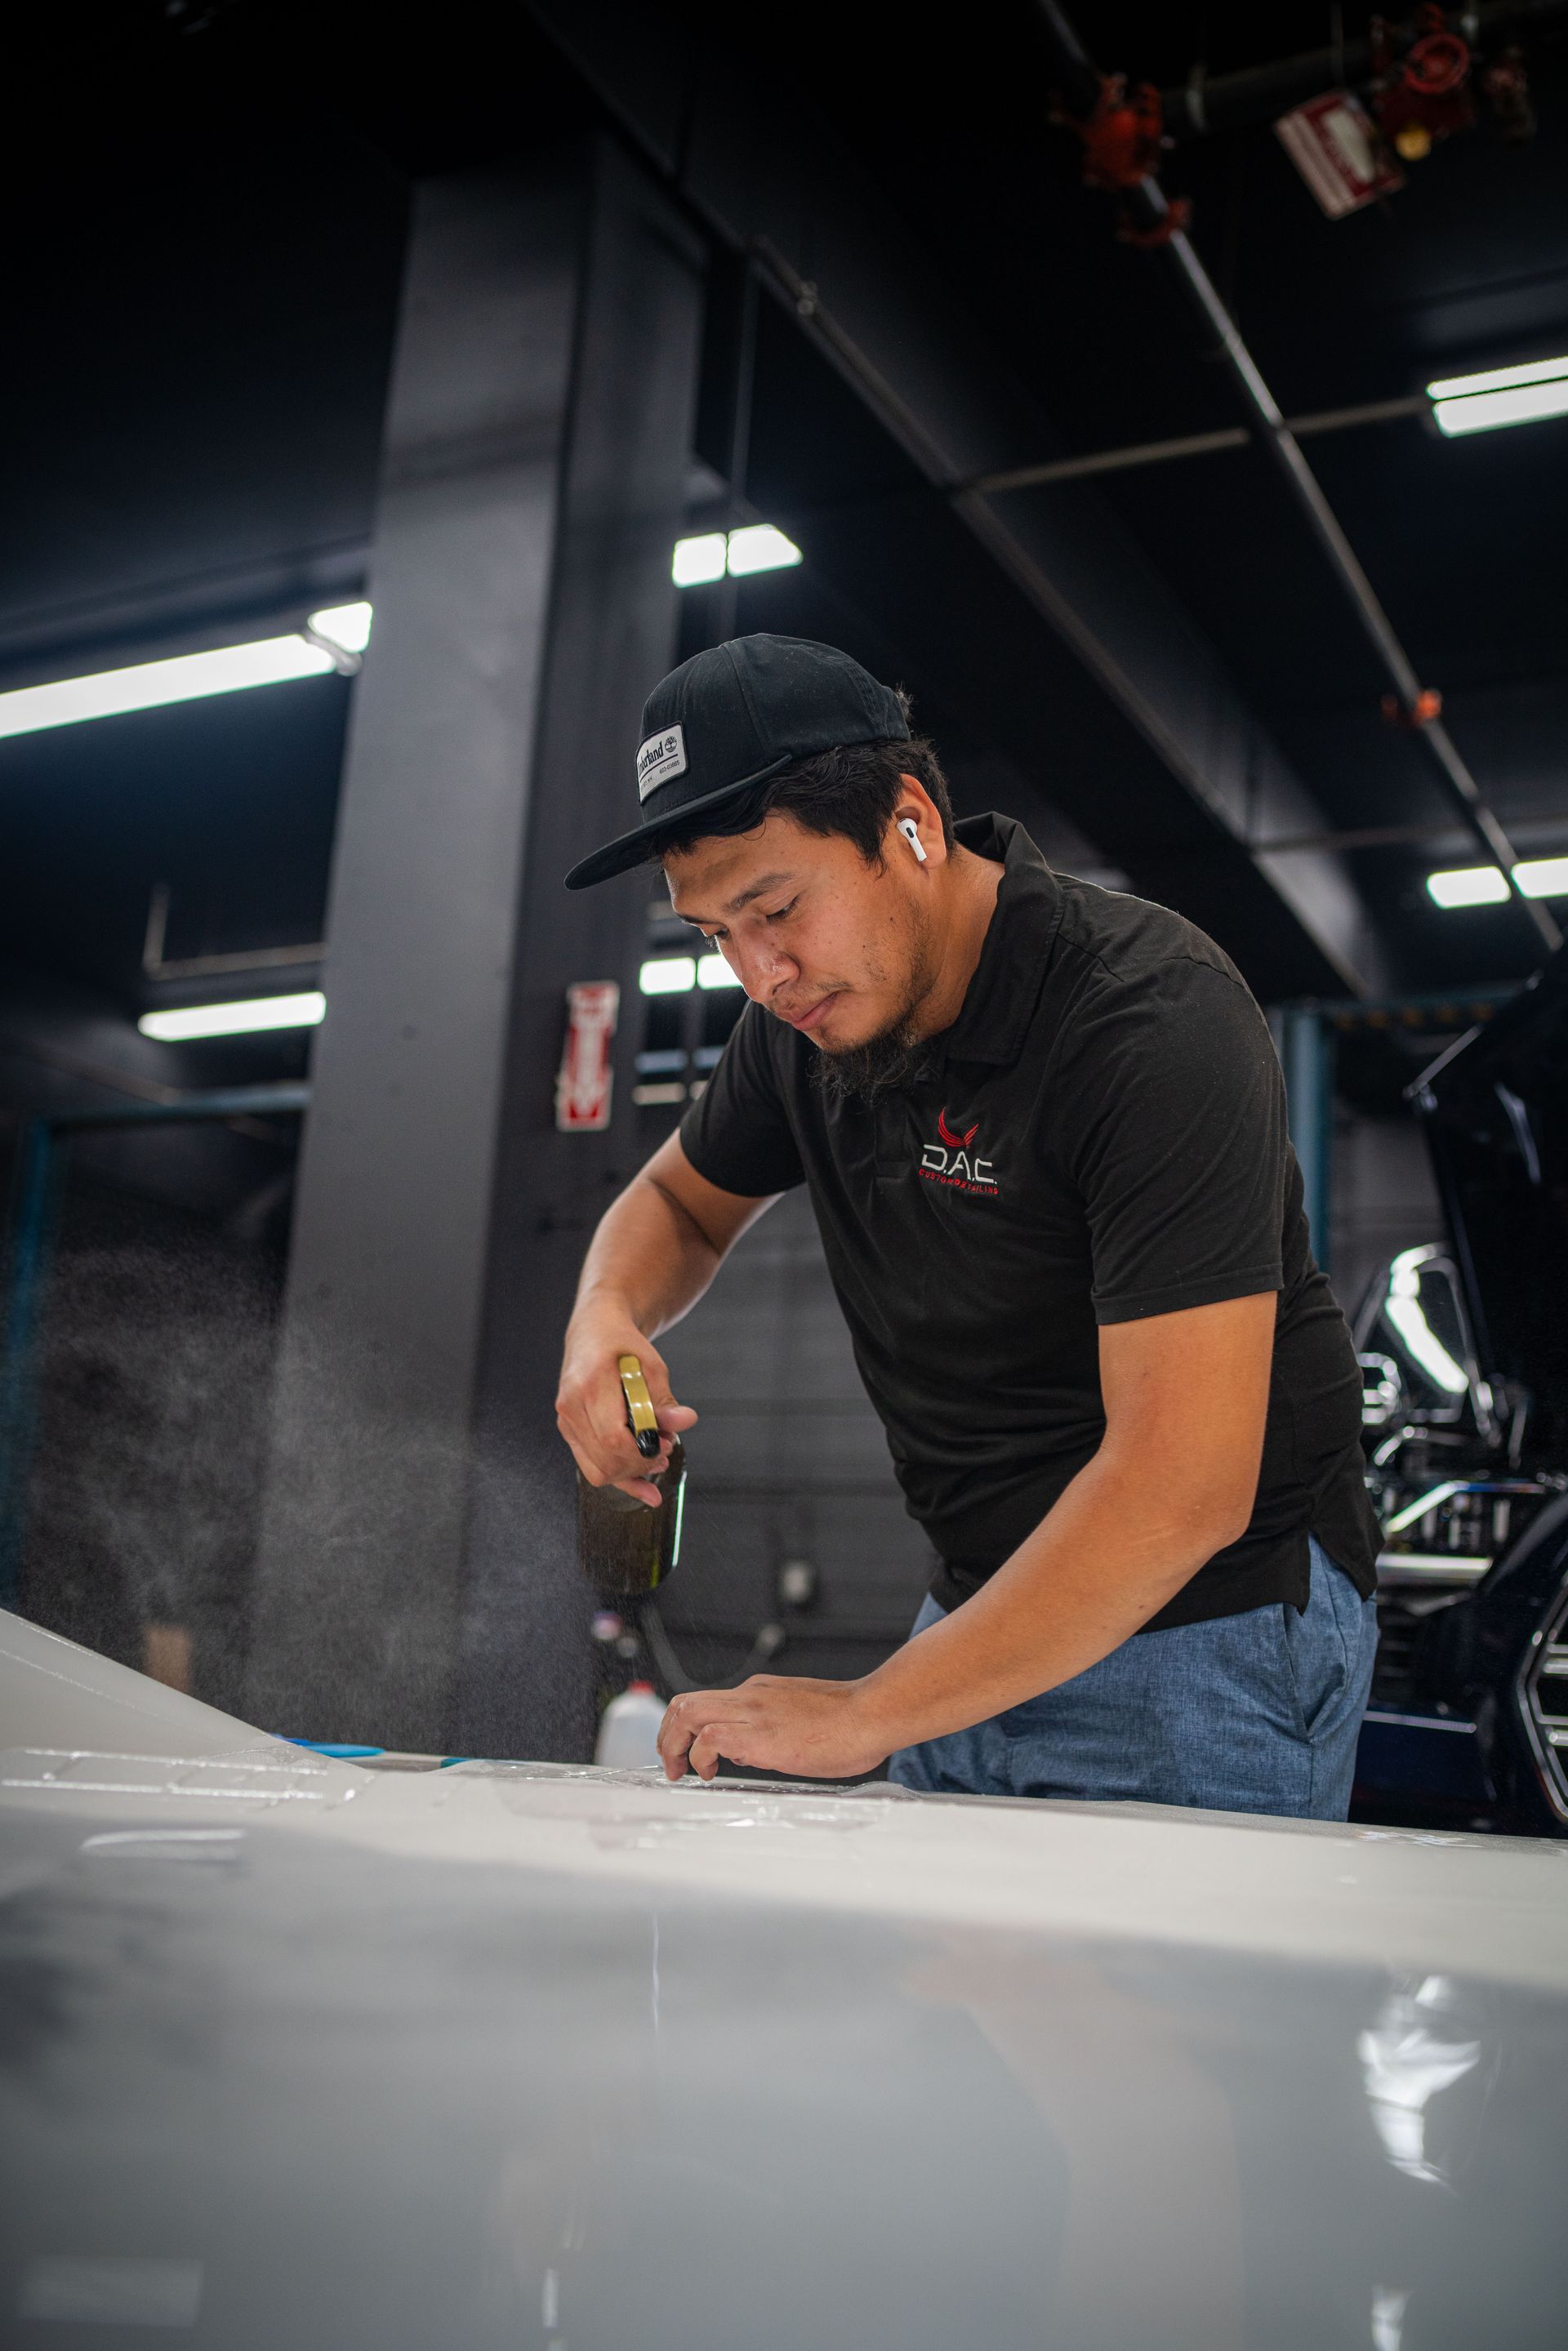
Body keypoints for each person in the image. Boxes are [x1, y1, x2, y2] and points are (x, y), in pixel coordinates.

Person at [556, 633, 1380, 1814]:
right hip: (972, 1619)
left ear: (910, 826)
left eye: (775, 907)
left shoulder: (1146, 1019)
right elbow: (680, 1201)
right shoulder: (798, 1028)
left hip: (1208, 1625)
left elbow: (1182, 1483)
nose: (762, 974)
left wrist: (866, 1712)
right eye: (714, 938)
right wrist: (605, 1317)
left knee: (1168, 2006)